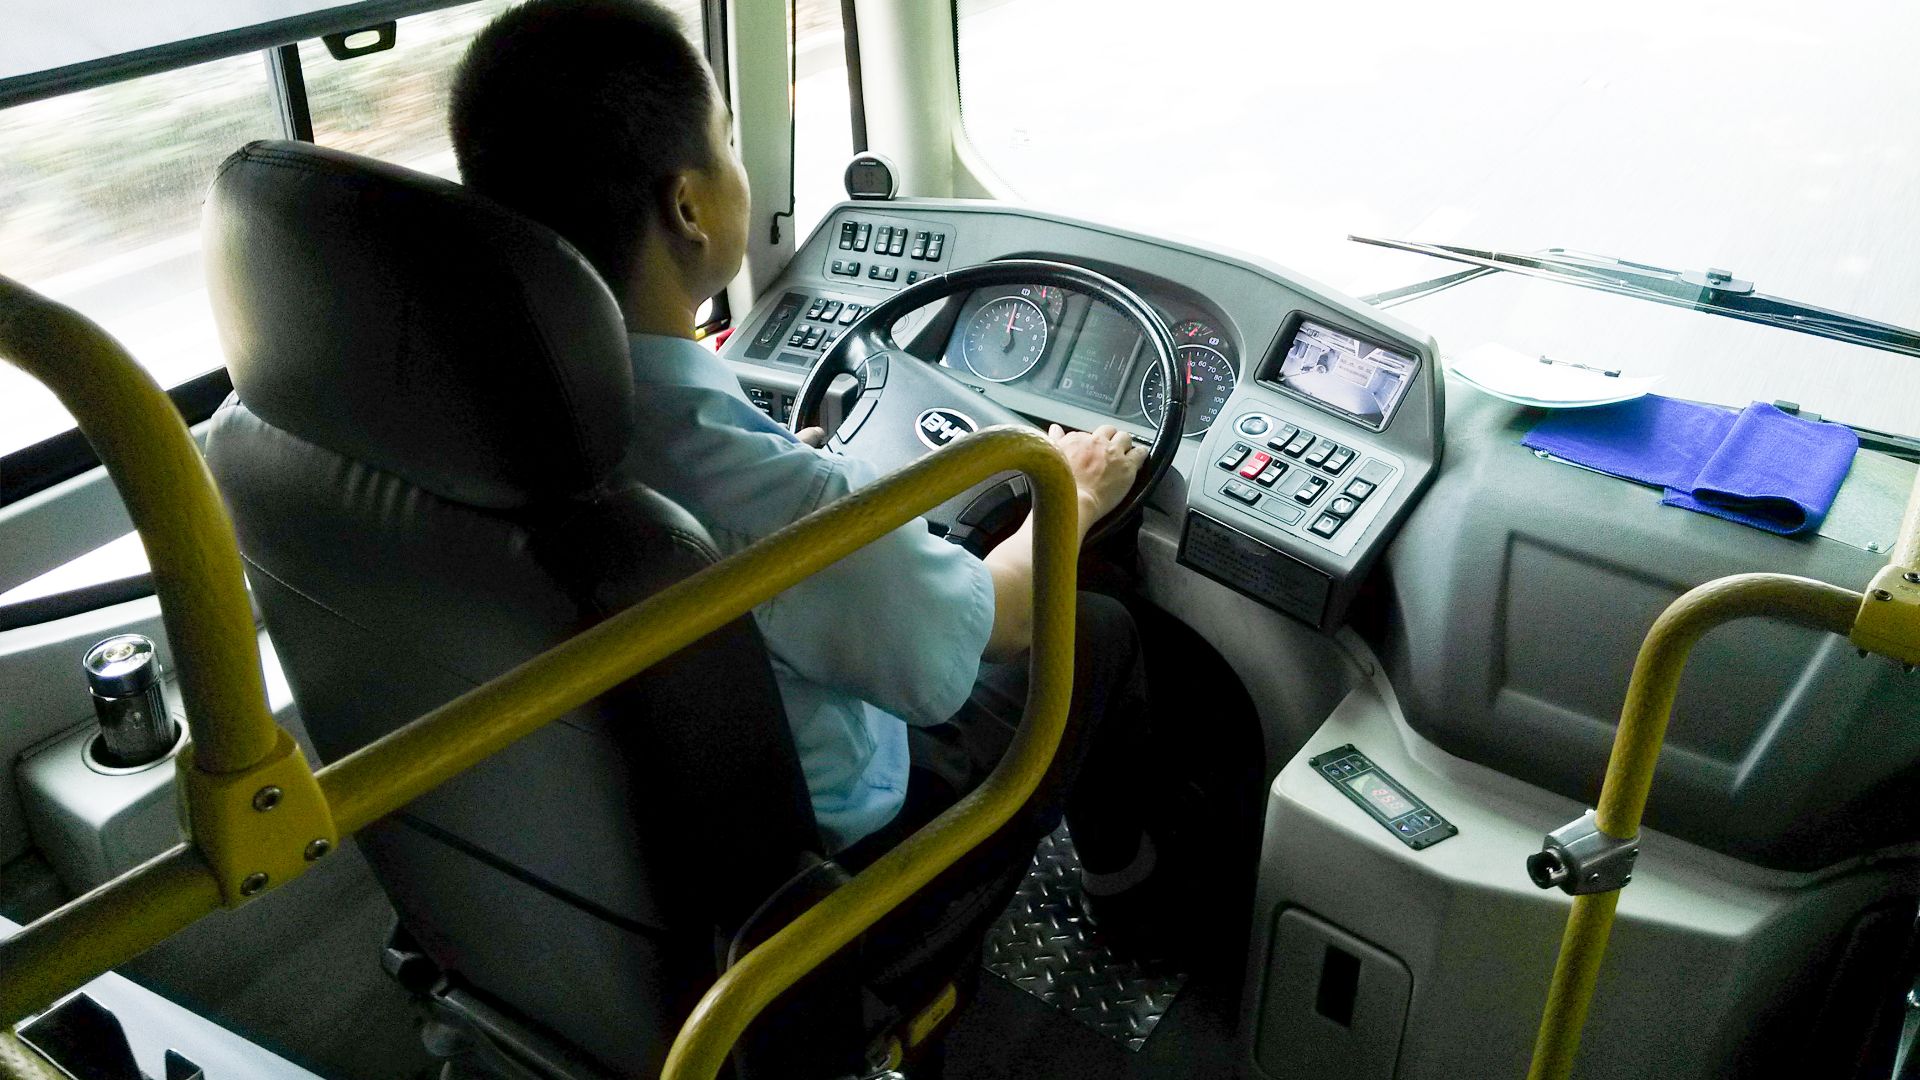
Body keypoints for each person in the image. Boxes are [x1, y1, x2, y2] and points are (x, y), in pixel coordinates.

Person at [448, 0, 1166, 921]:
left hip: (600, 860)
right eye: (731, 141)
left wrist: (799, 472)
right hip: (817, 879)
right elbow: (1005, 624)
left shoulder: (479, 405)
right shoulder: (739, 486)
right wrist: (1065, 494)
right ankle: (1132, 898)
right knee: (1097, 629)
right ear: (689, 206)